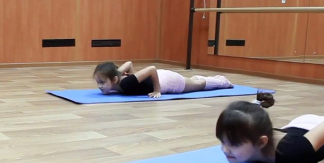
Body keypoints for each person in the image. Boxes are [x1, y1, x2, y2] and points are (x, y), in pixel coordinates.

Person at [92, 61, 233, 98]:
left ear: (115, 79)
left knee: (198, 85)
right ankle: (214, 79)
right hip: (162, 77)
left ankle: (222, 82)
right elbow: (128, 63)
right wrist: (136, 80)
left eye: (102, 82)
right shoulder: (120, 80)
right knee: (191, 81)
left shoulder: (126, 83)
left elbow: (152, 68)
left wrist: (157, 90)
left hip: (168, 82)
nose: (99, 86)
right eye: (98, 82)